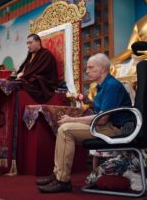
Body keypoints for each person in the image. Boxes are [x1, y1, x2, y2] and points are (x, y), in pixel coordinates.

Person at [36, 53, 132, 193]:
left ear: (103, 69)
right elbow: (100, 117)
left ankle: (62, 180)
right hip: (107, 126)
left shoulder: (112, 86)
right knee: (64, 127)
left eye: (91, 67)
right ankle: (58, 174)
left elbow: (102, 119)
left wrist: (73, 119)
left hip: (117, 129)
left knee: (66, 129)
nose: (87, 71)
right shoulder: (102, 86)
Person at [16, 33, 58, 103]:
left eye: (30, 43)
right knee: (18, 81)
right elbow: (26, 69)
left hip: (44, 83)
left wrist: (23, 76)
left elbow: (39, 70)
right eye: (27, 44)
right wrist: (20, 75)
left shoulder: (46, 54)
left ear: (38, 42)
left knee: (29, 81)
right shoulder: (30, 55)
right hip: (29, 78)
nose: (28, 46)